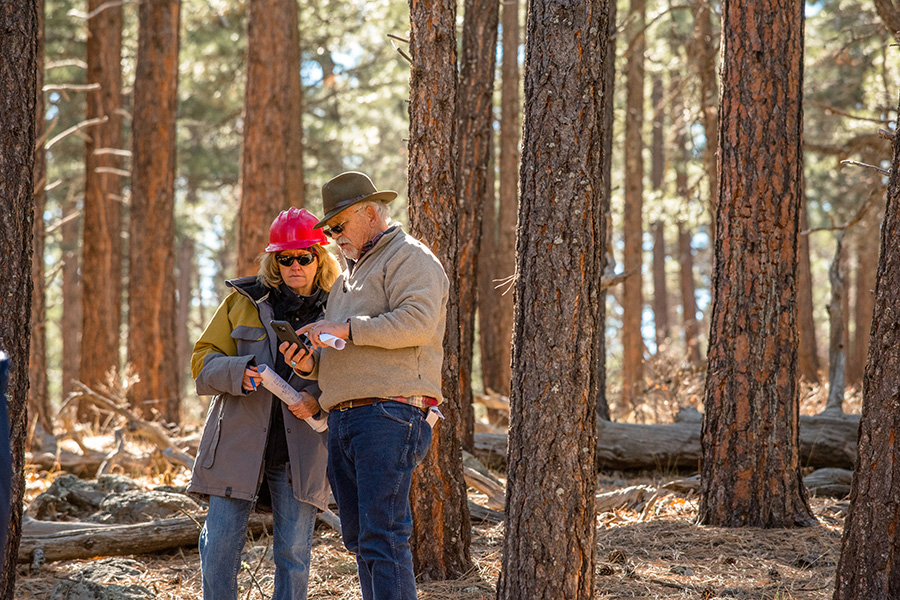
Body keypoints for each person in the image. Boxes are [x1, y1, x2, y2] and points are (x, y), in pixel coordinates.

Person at [280, 171, 448, 600]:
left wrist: (347, 328)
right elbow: (344, 351)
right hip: (346, 419)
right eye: (329, 229)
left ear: (372, 214)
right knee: (361, 539)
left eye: (339, 225)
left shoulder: (410, 257)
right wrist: (309, 363)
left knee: (383, 536)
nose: (333, 235)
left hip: (390, 413)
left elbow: (418, 322)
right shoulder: (346, 279)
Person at [188, 207, 340, 600]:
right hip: (236, 446)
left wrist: (317, 401)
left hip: (300, 452)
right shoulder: (242, 302)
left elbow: (353, 375)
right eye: (284, 258)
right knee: (218, 546)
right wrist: (239, 370)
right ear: (274, 260)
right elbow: (202, 361)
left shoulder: (340, 310)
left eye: (304, 257)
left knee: (294, 553)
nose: (294, 265)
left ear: (320, 259)